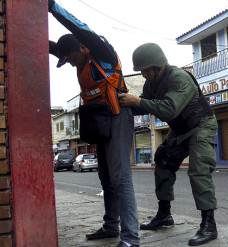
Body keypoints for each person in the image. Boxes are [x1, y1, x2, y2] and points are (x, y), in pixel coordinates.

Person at [48, 1, 139, 246]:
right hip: (100, 122)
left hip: (119, 116)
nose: (69, 62)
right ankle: (111, 227)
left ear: (82, 47)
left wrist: (51, 7)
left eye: (70, 57)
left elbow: (79, 27)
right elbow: (50, 46)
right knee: (106, 177)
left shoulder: (101, 52)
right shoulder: (76, 57)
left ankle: (131, 238)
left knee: (120, 177)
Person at [120, 43, 218, 246]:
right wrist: (121, 102)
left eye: (146, 70)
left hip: (201, 125)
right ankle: (164, 215)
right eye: (141, 71)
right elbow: (145, 105)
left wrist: (136, 101)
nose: (144, 74)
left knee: (199, 170)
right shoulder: (151, 84)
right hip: (180, 130)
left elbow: (169, 110)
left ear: (158, 65)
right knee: (163, 160)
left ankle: (209, 224)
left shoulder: (179, 78)